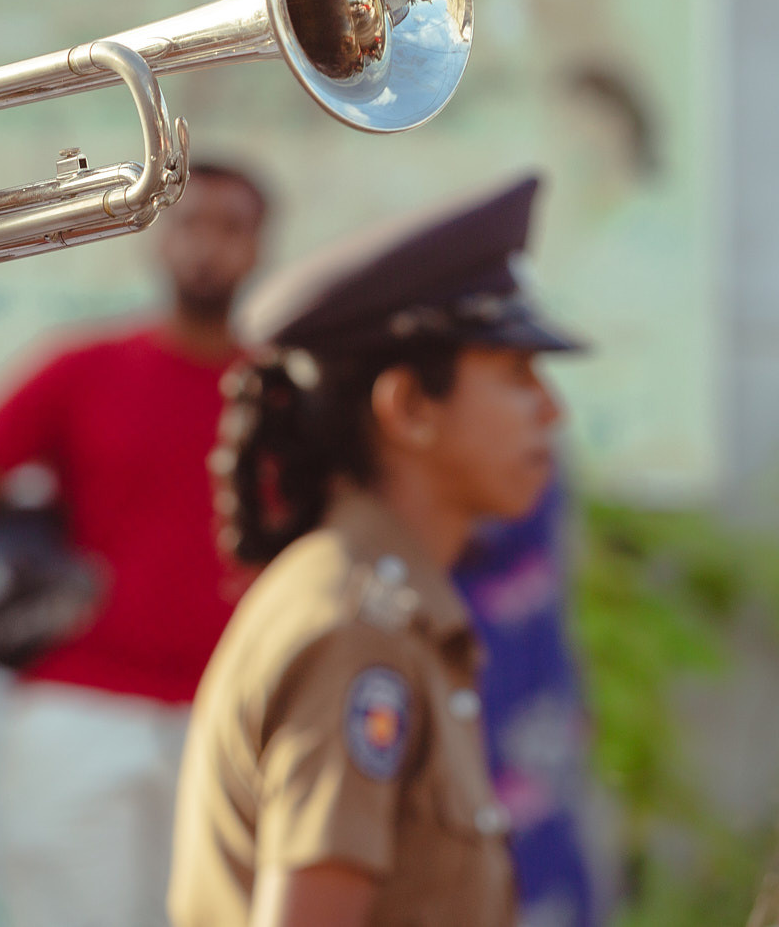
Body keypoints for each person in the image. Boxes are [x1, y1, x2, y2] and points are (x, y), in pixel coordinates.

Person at [169, 173, 583, 927]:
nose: (551, 409)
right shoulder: (360, 627)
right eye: (518, 373)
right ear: (409, 407)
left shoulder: (385, 603)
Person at [0, 163, 268, 927]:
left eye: (232, 228)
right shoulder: (85, 369)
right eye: (192, 223)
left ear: (259, 248)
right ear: (160, 239)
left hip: (234, 723)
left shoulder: (283, 394)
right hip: (77, 717)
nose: (208, 247)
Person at [453, 470, 600, 927]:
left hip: (537, 716)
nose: (549, 412)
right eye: (518, 390)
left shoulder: (534, 465)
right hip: (473, 726)